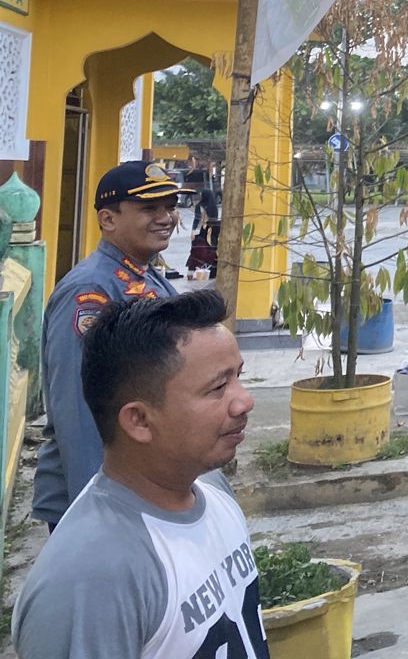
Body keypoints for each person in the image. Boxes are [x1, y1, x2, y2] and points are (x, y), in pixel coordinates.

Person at [13, 289, 264, 657]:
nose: (245, 401)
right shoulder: (91, 579)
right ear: (139, 421)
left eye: (239, 376)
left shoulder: (212, 489)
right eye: (218, 387)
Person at [33, 161, 182, 529]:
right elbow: (77, 406)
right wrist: (98, 511)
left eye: (170, 206)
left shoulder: (148, 278)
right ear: (108, 219)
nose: (166, 217)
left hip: (143, 483)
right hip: (105, 495)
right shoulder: (91, 291)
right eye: (149, 208)